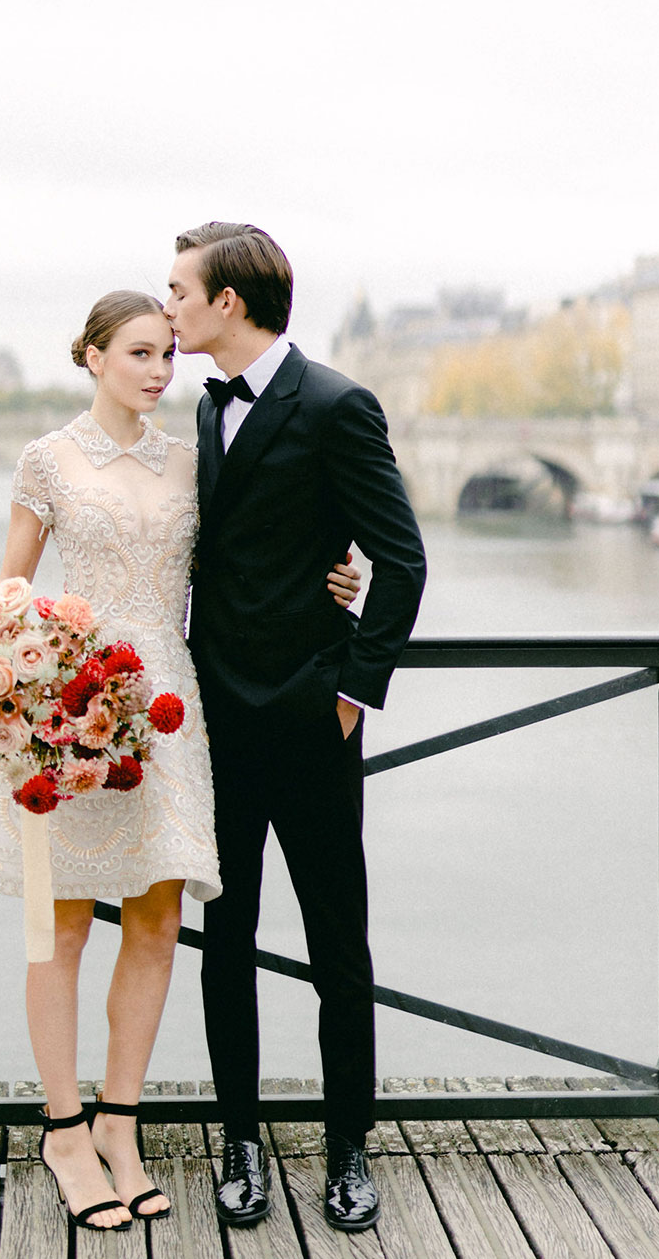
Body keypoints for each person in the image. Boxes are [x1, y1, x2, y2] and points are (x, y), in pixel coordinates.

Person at [0, 289, 362, 1233]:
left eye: (167, 355)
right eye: (139, 352)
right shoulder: (45, 461)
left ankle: (120, 1124)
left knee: (153, 922)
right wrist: (28, 687)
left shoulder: (194, 462)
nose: (158, 370)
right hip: (65, 704)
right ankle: (64, 1131)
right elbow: (8, 591)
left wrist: (349, 575)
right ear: (92, 356)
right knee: (57, 930)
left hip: (169, 709)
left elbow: (262, 554)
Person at [164, 223, 427, 1233]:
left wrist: (355, 688)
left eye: (179, 289)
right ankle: (237, 1139)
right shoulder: (199, 410)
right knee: (223, 939)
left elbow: (397, 557)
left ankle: (349, 1148)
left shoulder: (334, 404)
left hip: (314, 719)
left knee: (336, 947)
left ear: (228, 302)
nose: (171, 304)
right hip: (214, 719)